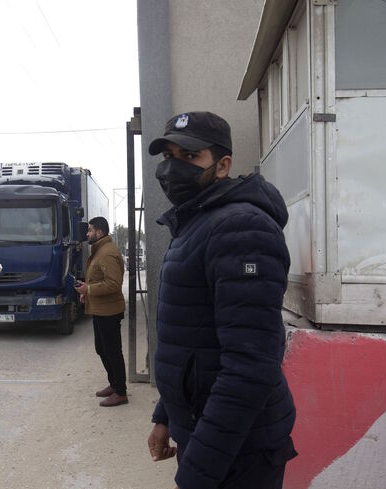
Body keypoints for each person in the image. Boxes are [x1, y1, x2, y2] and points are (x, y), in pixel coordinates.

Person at [146, 111, 297, 488]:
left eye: (189, 156)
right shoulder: (197, 223)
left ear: (223, 165)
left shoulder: (241, 228)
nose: (172, 168)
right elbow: (190, 337)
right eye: (168, 156)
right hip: (207, 434)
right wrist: (165, 415)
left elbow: (250, 367)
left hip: (241, 450)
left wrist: (196, 473)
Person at [74, 217, 128, 407]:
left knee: (112, 351)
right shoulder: (100, 250)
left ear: (99, 232)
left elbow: (113, 284)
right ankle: (114, 384)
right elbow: (98, 280)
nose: (87, 234)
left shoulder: (107, 253)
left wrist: (88, 289)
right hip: (100, 309)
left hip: (109, 311)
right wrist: (86, 293)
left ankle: (121, 392)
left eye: (89, 230)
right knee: (102, 348)